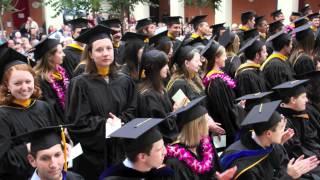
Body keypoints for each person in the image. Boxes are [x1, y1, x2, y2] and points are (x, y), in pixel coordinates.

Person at [65, 25, 137, 179]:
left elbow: (133, 109)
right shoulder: (79, 84)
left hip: (121, 150)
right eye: (99, 50)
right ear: (90, 54)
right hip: (93, 157)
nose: (105, 53)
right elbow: (77, 122)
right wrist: (107, 126)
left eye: (108, 48)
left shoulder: (125, 81)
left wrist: (122, 122)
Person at [220, 100, 320, 179]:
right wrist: (289, 176)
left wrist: (280, 143)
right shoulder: (245, 168)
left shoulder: (259, 140)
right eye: (281, 128)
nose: (284, 131)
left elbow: (277, 166)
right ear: (268, 133)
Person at [0, 44, 58, 179]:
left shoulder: (44, 107)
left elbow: (56, 136)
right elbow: (3, 161)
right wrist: (31, 147)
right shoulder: (3, 116)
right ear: (7, 86)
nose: (24, 87)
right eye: (17, 83)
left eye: (28, 81)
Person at [165, 96, 237, 179]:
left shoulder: (206, 147)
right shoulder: (175, 162)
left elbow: (217, 171)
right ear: (197, 127)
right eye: (206, 122)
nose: (209, 126)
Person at [273, 80, 320, 178]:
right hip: (300, 163)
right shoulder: (282, 122)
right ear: (293, 100)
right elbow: (296, 151)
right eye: (303, 97)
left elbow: (313, 136)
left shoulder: (303, 112)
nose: (307, 100)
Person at [99, 118, 174, 180]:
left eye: (164, 146)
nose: (165, 152)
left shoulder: (162, 173)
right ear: (142, 157)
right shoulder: (112, 177)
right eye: (159, 149)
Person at [202, 41, 245, 145]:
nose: (226, 58)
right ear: (216, 58)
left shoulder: (213, 77)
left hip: (220, 127)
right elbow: (224, 111)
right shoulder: (217, 82)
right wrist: (239, 109)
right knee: (223, 154)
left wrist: (235, 105)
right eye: (224, 55)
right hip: (223, 130)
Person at [13, 125, 85, 180]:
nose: (53, 164)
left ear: (65, 154)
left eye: (57, 155)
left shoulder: (76, 178)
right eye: (45, 158)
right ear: (32, 160)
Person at [137, 50, 178, 143]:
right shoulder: (148, 96)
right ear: (155, 68)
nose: (168, 68)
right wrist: (174, 113)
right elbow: (160, 126)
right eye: (164, 65)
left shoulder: (161, 88)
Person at [34, 37, 68, 123]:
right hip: (58, 124)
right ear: (49, 56)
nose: (64, 54)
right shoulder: (39, 79)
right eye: (60, 52)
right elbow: (48, 108)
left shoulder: (61, 72)